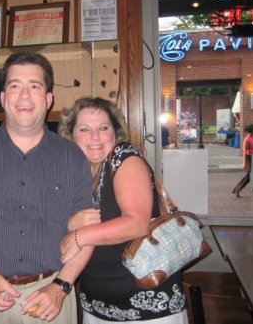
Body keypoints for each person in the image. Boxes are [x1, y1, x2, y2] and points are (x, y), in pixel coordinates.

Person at [0, 51, 97, 324]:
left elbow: (88, 233)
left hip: (52, 296)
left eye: (34, 86)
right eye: (15, 86)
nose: (24, 96)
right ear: (3, 98)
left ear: (49, 99)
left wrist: (61, 286)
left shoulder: (72, 157)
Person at [58, 97, 188, 324]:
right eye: (84, 129)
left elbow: (136, 223)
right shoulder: (79, 172)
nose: (95, 137)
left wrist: (80, 235)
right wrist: (70, 222)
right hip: (97, 305)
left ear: (115, 132)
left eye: (103, 128)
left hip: (148, 309)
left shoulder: (123, 157)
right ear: (71, 135)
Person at [232, 124, 253, 197]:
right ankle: (237, 189)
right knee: (249, 177)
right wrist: (244, 163)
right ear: (252, 130)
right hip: (250, 159)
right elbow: (245, 152)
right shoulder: (247, 139)